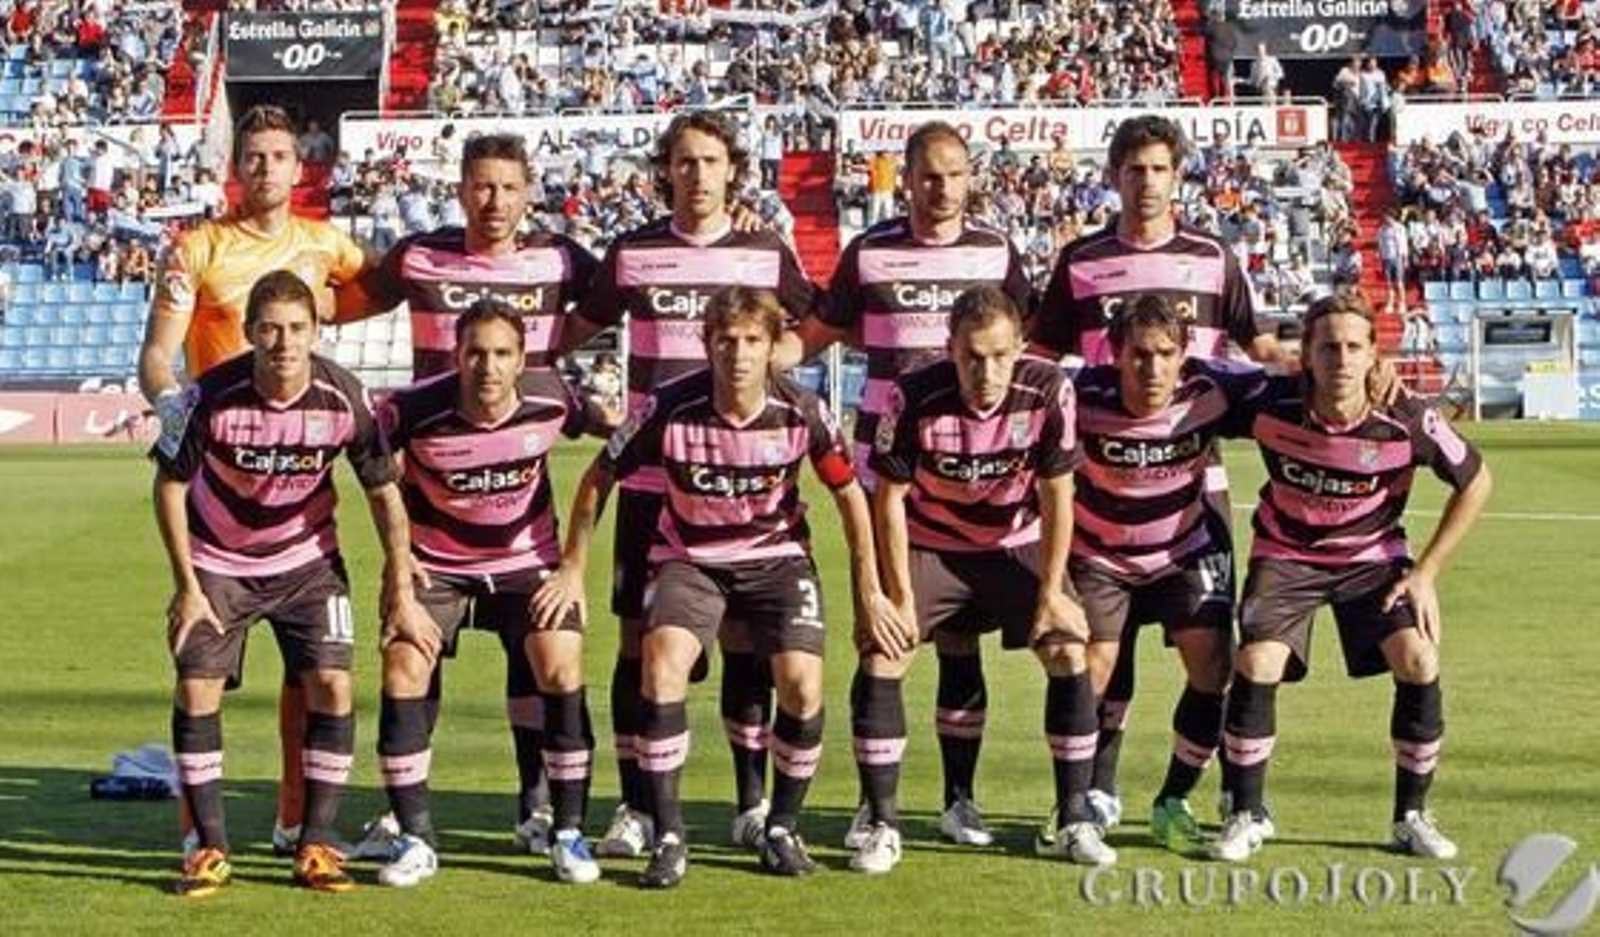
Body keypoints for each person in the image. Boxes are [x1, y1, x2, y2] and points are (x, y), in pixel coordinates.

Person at [536, 286, 899, 887]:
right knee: (661, 665)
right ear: (706, 345)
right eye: (726, 340)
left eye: (752, 340)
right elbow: (600, 477)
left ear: (772, 348)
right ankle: (670, 835)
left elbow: (849, 495)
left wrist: (871, 590)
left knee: (803, 687)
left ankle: (781, 825)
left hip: (777, 559)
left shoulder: (803, 409)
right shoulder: (668, 408)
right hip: (691, 560)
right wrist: (572, 566)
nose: (739, 353)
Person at [559, 110, 818, 860]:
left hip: (740, 478)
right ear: (665, 169)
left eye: (710, 160)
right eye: (683, 160)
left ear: (732, 169)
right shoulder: (635, 251)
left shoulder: (764, 251)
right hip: (648, 481)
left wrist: (771, 365)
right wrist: (578, 400)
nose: (697, 174)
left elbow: (813, 326)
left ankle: (750, 799)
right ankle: (637, 805)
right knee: (639, 647)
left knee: (745, 640)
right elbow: (573, 330)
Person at [1030, 114, 1285, 833]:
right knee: (1105, 649)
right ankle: (1094, 791)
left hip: (1191, 486)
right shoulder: (1079, 261)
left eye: (1159, 169)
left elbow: (1254, 338)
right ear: (1113, 176)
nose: (1146, 182)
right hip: (1101, 482)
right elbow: (1043, 355)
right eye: (1133, 169)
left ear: (1179, 176)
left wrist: (1298, 358)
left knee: (1211, 655)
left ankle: (1227, 794)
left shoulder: (1212, 256)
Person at [140, 104, 372, 859]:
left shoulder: (325, 243)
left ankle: (297, 822)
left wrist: (330, 306)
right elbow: (158, 354)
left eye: (280, 155)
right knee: (201, 665)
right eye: (254, 155)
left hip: (297, 490)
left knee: (310, 678)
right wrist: (179, 413)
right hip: (220, 475)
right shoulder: (198, 248)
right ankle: (198, 837)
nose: (267, 166)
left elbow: (375, 292)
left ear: (299, 168)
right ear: (236, 167)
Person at [797, 121, 1032, 851]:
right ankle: (877, 811)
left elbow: (1036, 347)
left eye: (954, 174)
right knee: (886, 631)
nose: (942, 187)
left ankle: (960, 799)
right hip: (891, 477)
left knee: (962, 644)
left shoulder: (997, 252)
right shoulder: (869, 252)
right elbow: (814, 335)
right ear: (906, 178)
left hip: (978, 478)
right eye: (928, 175)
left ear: (971, 178)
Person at [154, 270, 417, 897]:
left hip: (308, 564)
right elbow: (167, 485)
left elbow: (383, 491)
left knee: (332, 682)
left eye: (297, 328)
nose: (283, 342)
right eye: (269, 328)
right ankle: (209, 848)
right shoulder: (210, 396)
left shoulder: (343, 395)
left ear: (316, 332)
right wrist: (187, 584)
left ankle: (315, 845)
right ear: (248, 333)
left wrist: (400, 581)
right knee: (197, 687)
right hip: (220, 562)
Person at [1211, 292, 1492, 862]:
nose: (1341, 359)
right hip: (1288, 556)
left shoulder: (1408, 417)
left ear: (1374, 355)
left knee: (1419, 660)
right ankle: (1244, 812)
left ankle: (1411, 817)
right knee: (1256, 661)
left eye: (1354, 347)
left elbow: (1478, 480)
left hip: (1373, 561)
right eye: (1328, 347)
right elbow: (1194, 376)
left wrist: (1428, 573)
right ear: (1306, 356)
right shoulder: (1269, 400)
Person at [849, 285, 1106, 874]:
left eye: (998, 355)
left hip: (1013, 545)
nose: (985, 371)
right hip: (933, 545)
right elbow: (888, 500)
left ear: (1019, 348)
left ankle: (1072, 819)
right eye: (971, 357)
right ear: (950, 349)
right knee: (885, 652)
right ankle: (882, 821)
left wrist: (1050, 592)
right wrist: (901, 599)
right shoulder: (911, 393)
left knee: (1068, 651)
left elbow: (1058, 494)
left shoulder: (1048, 389)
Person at [372, 300, 609, 888]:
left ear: (521, 358)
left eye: (502, 353)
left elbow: (617, 444)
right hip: (437, 567)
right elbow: (370, 473)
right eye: (475, 352)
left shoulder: (552, 398)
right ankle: (414, 838)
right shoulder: (411, 410)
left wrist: (573, 568)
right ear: (456, 355)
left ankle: (566, 831)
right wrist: (398, 575)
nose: (488, 366)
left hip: (527, 563)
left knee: (559, 661)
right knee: (404, 665)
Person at [1068, 293, 1279, 856]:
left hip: (1185, 550)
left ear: (1185, 353)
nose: (1152, 368)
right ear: (1114, 354)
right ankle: (1083, 798)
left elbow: (1293, 386)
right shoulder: (1076, 395)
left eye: (1165, 354)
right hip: (1099, 554)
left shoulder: (1212, 388)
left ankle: (1174, 798)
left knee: (1212, 664)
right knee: (1093, 667)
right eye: (1139, 354)